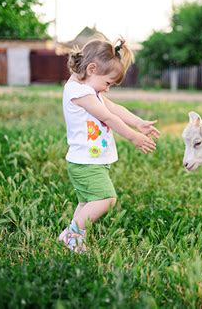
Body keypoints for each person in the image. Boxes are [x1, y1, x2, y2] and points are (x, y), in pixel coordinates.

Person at [58, 38, 160, 253]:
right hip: (85, 162)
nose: (108, 89)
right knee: (106, 198)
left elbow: (114, 108)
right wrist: (134, 137)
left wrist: (138, 122)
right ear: (92, 68)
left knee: (87, 202)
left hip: (90, 160)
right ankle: (72, 234)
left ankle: (73, 236)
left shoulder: (89, 88)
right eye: (108, 83)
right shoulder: (79, 92)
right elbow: (108, 118)